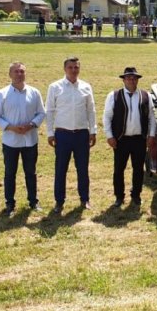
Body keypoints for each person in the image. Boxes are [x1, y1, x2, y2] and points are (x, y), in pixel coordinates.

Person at [0, 62, 46, 214]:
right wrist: (10, 127)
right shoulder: (2, 94)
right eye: (16, 71)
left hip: (30, 140)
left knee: (31, 172)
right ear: (10, 74)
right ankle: (10, 204)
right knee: (10, 173)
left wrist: (31, 125)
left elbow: (42, 113)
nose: (19, 74)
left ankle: (33, 201)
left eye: (22, 71)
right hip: (10, 141)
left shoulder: (34, 93)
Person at [45, 57, 97, 213]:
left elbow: (91, 110)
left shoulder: (86, 87)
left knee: (83, 169)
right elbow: (50, 111)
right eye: (70, 67)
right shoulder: (55, 87)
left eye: (76, 67)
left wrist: (93, 130)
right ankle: (59, 201)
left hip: (81, 134)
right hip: (62, 134)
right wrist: (50, 132)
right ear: (65, 69)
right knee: (61, 169)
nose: (74, 70)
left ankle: (85, 199)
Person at [103, 67, 157, 207]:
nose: (131, 81)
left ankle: (136, 195)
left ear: (137, 80)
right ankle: (119, 196)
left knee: (138, 169)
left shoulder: (145, 95)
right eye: (128, 78)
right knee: (119, 169)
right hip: (121, 139)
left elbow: (151, 117)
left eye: (134, 78)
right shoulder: (114, 95)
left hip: (139, 139)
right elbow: (107, 117)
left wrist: (151, 135)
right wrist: (109, 136)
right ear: (124, 80)